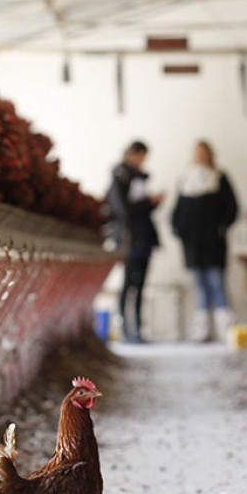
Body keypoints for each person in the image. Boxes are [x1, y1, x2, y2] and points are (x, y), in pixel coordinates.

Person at [171, 140, 238, 342]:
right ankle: (204, 331)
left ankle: (226, 329)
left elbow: (232, 208)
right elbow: (178, 212)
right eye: (196, 153)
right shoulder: (185, 180)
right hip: (193, 244)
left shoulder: (219, 178)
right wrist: (180, 231)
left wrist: (220, 228)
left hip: (213, 242)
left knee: (216, 282)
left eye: (203, 153)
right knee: (199, 285)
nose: (199, 157)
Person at [106, 140, 163, 343]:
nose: (142, 161)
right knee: (129, 282)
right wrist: (148, 202)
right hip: (130, 238)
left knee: (140, 285)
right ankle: (125, 328)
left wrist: (152, 204)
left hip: (143, 236)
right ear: (131, 154)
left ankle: (137, 328)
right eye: (140, 156)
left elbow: (138, 210)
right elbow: (124, 211)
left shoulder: (139, 178)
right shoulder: (120, 177)